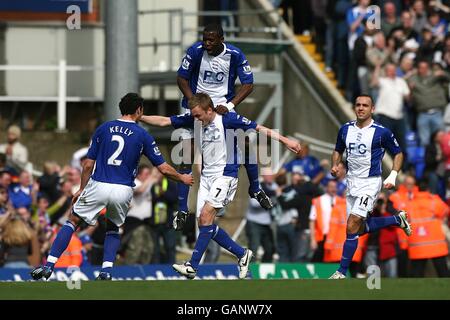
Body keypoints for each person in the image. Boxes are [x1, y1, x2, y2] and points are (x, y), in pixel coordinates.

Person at [30, 92, 193, 281]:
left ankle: (48, 266)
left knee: (73, 221)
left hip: (99, 184)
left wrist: (82, 188)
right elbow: (163, 168)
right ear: (139, 110)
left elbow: (88, 164)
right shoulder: (143, 135)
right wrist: (181, 178)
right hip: (123, 189)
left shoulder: (104, 128)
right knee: (114, 227)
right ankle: (106, 271)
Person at [140, 92, 301, 279]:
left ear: (210, 110)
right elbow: (164, 121)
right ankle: (242, 254)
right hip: (207, 178)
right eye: (194, 116)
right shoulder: (195, 119)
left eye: (199, 115)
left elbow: (259, 128)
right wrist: (139, 117)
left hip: (226, 175)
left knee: (206, 216)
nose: (196, 119)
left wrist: (286, 141)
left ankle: (192, 266)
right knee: (204, 223)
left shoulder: (228, 119)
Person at [175, 23, 272, 227]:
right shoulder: (195, 51)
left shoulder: (235, 54)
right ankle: (182, 208)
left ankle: (254, 188)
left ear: (221, 39)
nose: (207, 43)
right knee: (185, 152)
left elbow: (248, 84)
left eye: (211, 40)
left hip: (221, 107)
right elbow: (181, 78)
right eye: (205, 39)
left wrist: (230, 104)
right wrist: (195, 104)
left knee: (244, 143)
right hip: (197, 106)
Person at [329, 94, 412, 279]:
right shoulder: (345, 129)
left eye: (365, 105)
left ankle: (341, 272)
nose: (361, 108)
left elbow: (398, 153)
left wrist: (392, 175)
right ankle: (397, 220)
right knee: (355, 229)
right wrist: (335, 165)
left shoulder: (381, 132)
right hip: (351, 182)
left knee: (352, 224)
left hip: (370, 183)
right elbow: (337, 149)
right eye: (358, 105)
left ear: (372, 109)